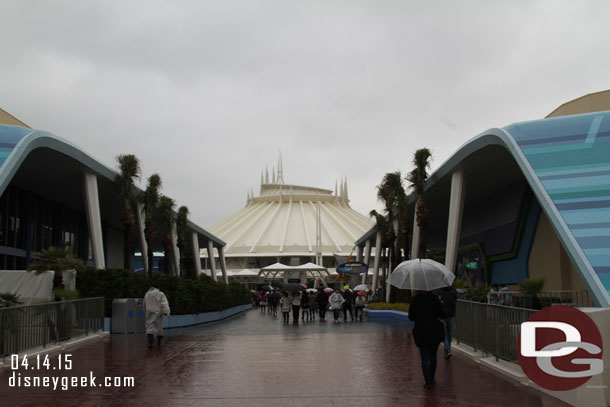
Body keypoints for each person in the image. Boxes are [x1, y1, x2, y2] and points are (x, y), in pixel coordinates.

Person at [408, 290, 445, 389]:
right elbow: (442, 314)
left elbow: (411, 317)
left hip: (421, 331)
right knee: (433, 356)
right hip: (435, 330)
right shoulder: (434, 298)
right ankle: (432, 379)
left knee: (424, 358)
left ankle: (427, 381)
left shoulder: (415, 300)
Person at [437, 284, 457, 359]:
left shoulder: (439, 291)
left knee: (443, 332)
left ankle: (447, 348)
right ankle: (448, 348)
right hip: (451, 314)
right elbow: (455, 299)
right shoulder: (453, 291)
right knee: (449, 332)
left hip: (442, 315)